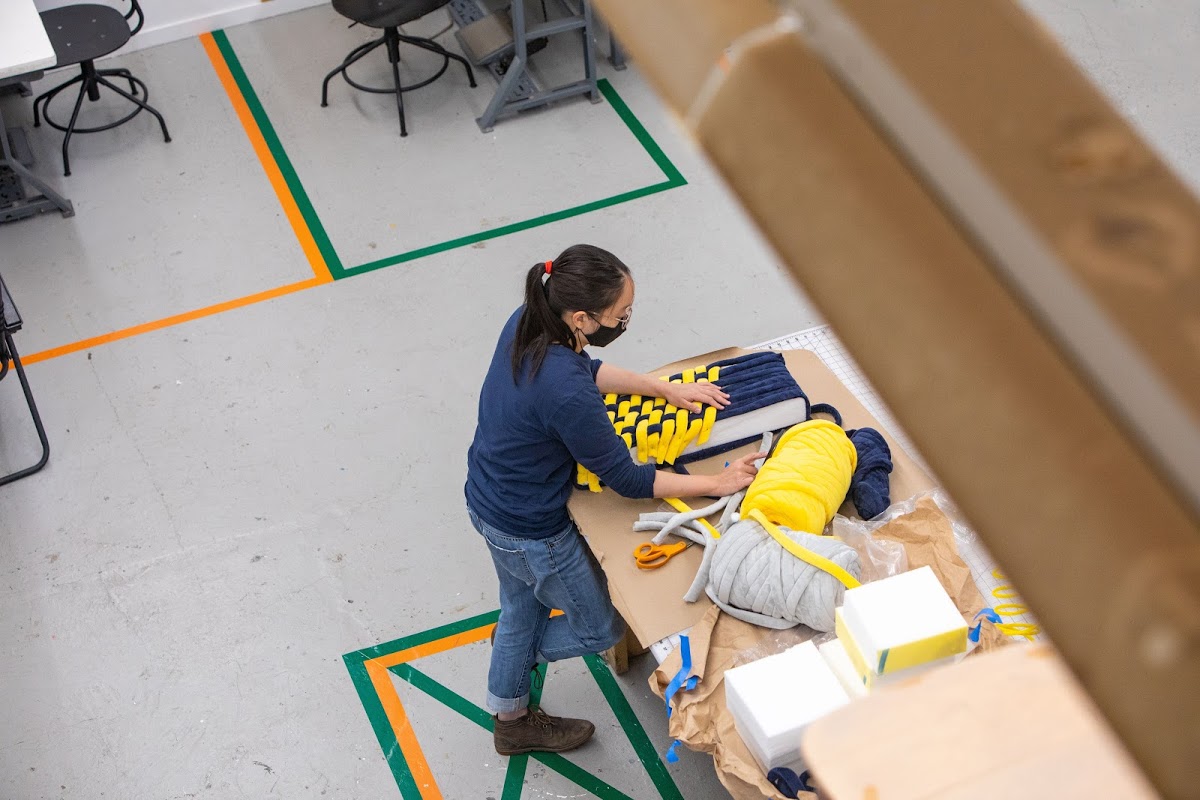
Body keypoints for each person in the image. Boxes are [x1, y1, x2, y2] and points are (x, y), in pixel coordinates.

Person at [465, 244, 762, 756]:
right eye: (620, 314)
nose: (626, 320)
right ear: (581, 318)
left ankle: (511, 710)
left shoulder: (531, 319)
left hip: (488, 499)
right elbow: (627, 477)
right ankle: (514, 663)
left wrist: (660, 389)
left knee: (519, 605)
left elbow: (587, 370)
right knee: (600, 628)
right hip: (533, 529)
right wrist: (715, 485)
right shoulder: (562, 390)